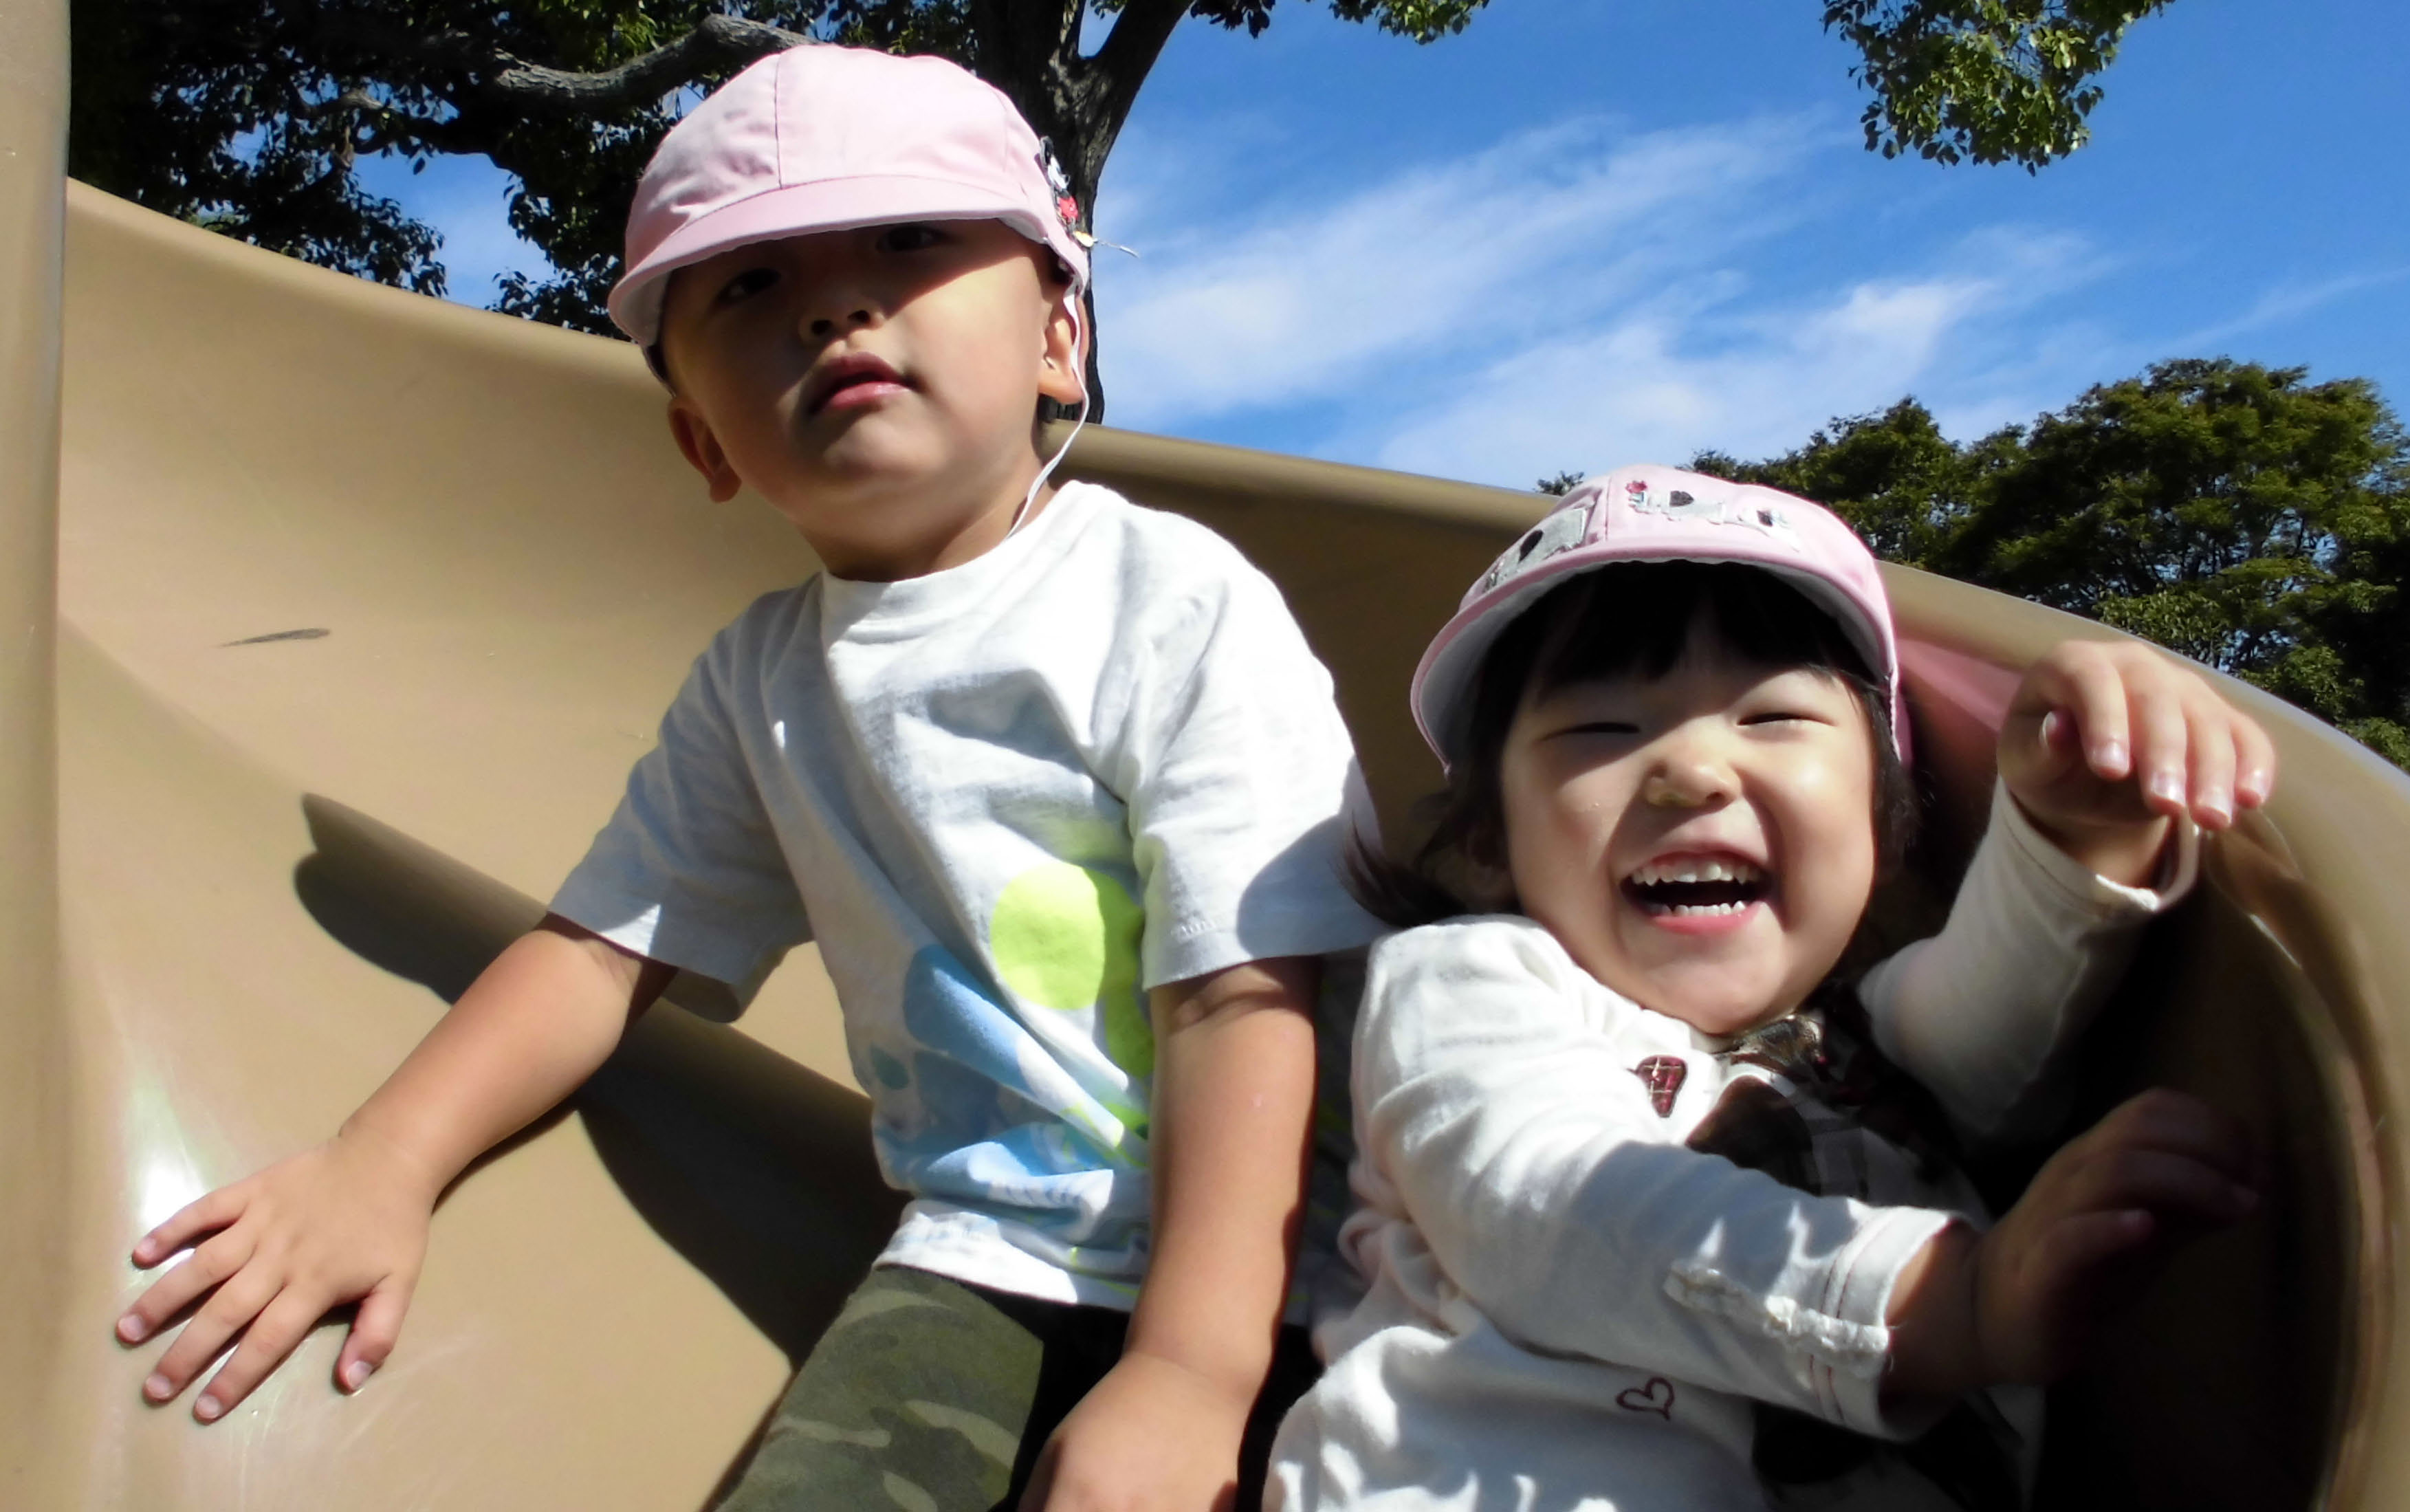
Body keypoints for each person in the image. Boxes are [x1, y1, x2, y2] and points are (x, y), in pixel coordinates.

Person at [114, 45, 1381, 1511]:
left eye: (907, 241)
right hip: (988, 1254)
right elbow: (596, 954)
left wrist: (1190, 1370)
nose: (832, 307)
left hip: (1306, 1256)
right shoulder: (759, 681)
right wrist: (381, 1160)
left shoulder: (1162, 597)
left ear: (1059, 338)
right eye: (752, 285)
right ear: (700, 438)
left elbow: (1240, 990)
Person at [1267, 465, 2273, 1510]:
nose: (1692, 771)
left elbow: (2009, 1000)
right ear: (1491, 841)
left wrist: (2085, 813)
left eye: (1774, 716)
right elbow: (1539, 1204)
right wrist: (1942, 1302)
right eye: (1600, 728)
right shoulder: (1476, 983)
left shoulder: (1868, 1047)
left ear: (1884, 822)